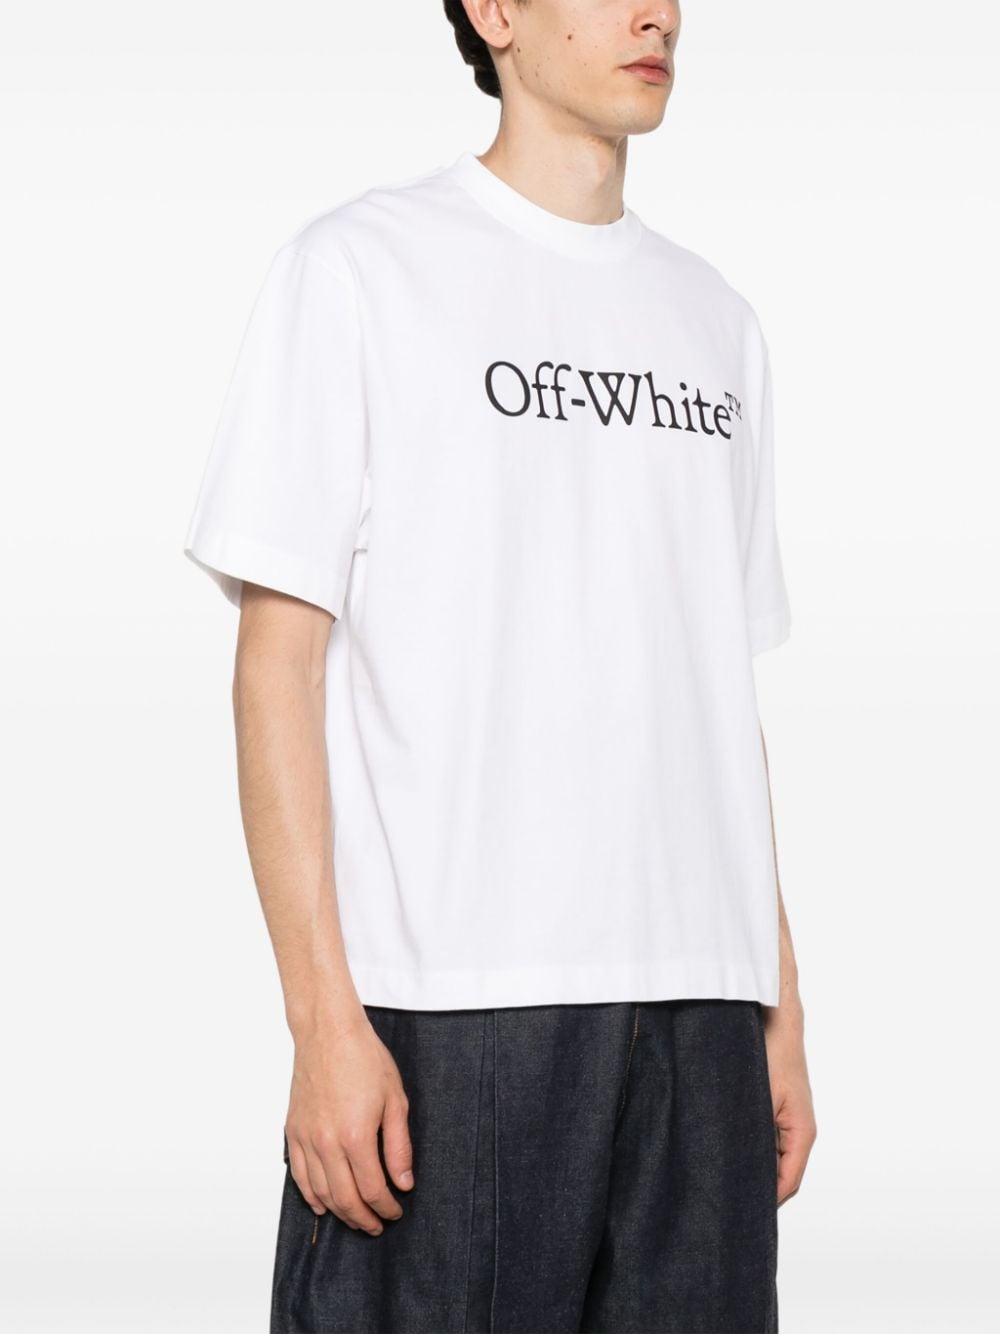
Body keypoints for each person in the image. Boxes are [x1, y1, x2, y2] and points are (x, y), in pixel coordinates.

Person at [183, 1, 817, 1329]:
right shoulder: (362, 271)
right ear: (496, 11)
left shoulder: (719, 324)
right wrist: (322, 1020)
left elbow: (715, 695)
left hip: (703, 1018)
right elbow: (275, 670)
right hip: (456, 1008)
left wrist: (779, 1003)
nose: (656, 14)